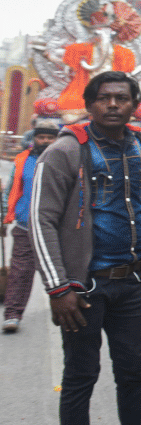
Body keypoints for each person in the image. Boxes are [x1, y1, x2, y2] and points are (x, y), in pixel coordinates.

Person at [29, 71, 141, 424]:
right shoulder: (65, 151)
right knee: (80, 377)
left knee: (135, 375)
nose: (112, 105)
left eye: (121, 98)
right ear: (90, 104)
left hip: (129, 284)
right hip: (82, 288)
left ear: (134, 105)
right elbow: (40, 220)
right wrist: (58, 288)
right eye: (104, 98)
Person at [3, 119, 60, 333]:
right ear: (34, 138)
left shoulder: (68, 160)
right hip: (25, 226)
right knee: (20, 271)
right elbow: (11, 190)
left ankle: (66, 311)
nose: (45, 141)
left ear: (57, 139)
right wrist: (4, 218)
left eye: (50, 137)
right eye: (41, 137)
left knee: (60, 272)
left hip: (57, 229)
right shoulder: (22, 160)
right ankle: (12, 314)